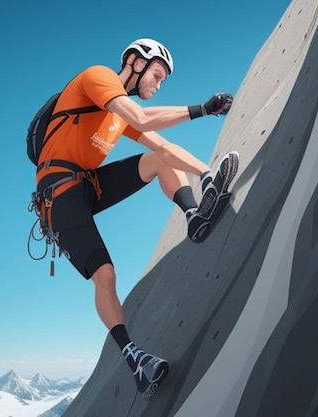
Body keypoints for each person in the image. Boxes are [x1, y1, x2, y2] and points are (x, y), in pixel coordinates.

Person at [34, 38, 238, 399]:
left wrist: (207, 173)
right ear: (133, 61)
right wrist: (202, 109)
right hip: (58, 193)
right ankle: (135, 361)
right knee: (105, 273)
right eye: (156, 76)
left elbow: (162, 144)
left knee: (159, 157)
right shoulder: (97, 78)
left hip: (88, 184)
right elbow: (142, 117)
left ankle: (194, 215)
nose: (158, 86)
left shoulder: (118, 114)